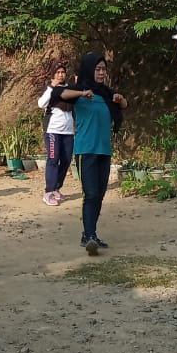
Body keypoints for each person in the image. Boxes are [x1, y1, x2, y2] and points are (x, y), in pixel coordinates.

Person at [51, 53, 125, 255]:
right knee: (90, 193)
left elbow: (122, 107)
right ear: (89, 70)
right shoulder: (80, 90)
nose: (101, 73)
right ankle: (89, 235)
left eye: (104, 69)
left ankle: (91, 234)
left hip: (104, 150)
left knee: (99, 194)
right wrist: (82, 94)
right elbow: (59, 94)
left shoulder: (106, 93)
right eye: (97, 69)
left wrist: (120, 99)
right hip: (86, 150)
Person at [37, 62, 75, 207]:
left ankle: (57, 188)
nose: (61, 74)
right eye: (58, 72)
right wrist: (51, 87)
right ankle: (48, 192)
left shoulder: (70, 89)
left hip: (68, 131)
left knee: (66, 160)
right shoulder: (49, 89)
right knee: (53, 159)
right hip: (53, 130)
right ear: (53, 74)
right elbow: (41, 104)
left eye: (63, 72)